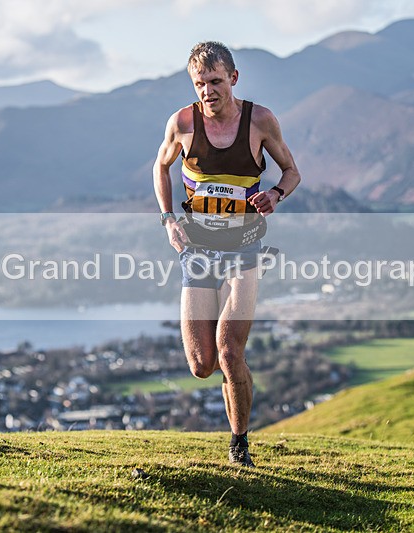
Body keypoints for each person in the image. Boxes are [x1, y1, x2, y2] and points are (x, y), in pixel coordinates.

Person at [153, 41, 301, 467]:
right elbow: (161, 166)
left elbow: (292, 172)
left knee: (229, 351)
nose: (207, 91)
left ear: (233, 78)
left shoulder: (260, 121)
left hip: (244, 249)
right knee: (202, 364)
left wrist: (276, 194)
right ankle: (232, 384)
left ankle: (239, 445)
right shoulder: (182, 123)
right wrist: (168, 219)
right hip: (197, 250)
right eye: (199, 84)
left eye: (215, 81)